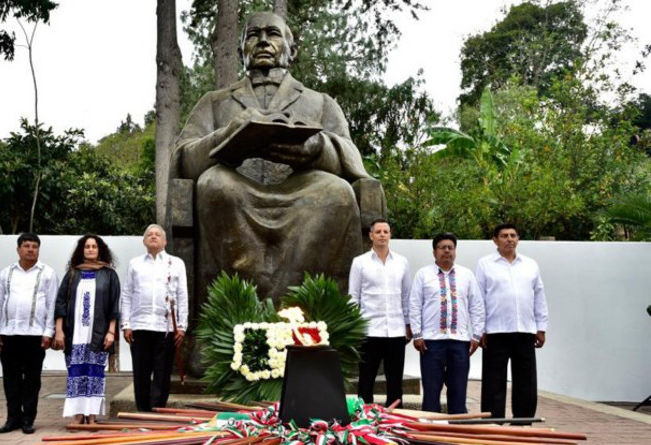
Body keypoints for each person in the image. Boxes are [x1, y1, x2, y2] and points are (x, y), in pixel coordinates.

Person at [171, 11, 384, 302]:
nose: (262, 42)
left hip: (302, 191)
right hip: (237, 191)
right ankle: (232, 310)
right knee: (214, 184)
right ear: (240, 50)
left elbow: (351, 157)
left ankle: (310, 311)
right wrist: (228, 137)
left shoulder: (320, 101)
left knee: (337, 192)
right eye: (252, 36)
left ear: (291, 49)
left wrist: (318, 148)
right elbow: (183, 159)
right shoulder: (214, 102)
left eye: (272, 34)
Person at [476, 223, 548, 420]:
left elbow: (539, 296)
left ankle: (523, 422)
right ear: (495, 240)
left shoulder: (530, 264)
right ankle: (493, 422)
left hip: (525, 331)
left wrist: (541, 327)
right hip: (495, 331)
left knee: (526, 380)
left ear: (518, 239)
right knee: (493, 380)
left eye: (513, 235)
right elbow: (479, 299)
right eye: (504, 235)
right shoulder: (485, 264)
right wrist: (479, 330)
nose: (509, 239)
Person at [0, 233, 59, 434]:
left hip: (35, 335)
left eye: (34, 246)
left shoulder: (47, 273)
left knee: (32, 379)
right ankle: (12, 419)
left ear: (39, 249)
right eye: (26, 246)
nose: (30, 249)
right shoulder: (7, 273)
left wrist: (49, 332)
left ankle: (28, 419)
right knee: (10, 379)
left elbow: (53, 304)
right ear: (18, 249)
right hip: (8, 334)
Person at [409, 233, 484, 414]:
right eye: (442, 247)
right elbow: (414, 305)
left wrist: (476, 335)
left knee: (458, 389)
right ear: (434, 252)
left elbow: (477, 306)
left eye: (451, 247)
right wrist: (417, 334)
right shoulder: (423, 275)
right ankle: (429, 431)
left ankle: (458, 431)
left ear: (455, 251)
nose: (447, 251)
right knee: (432, 389)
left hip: (460, 341)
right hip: (431, 342)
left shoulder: (466, 275)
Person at [54, 235, 120, 425]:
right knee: (76, 372)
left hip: (98, 334)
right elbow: (60, 303)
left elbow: (115, 306)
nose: (90, 249)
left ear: (100, 250)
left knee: (94, 372)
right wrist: (59, 330)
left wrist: (111, 332)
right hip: (74, 333)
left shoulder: (109, 274)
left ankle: (91, 415)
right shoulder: (73, 274)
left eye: (94, 246)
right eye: (87, 246)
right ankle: (77, 414)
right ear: (81, 250)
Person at [120, 224, 188, 412]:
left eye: (157, 234)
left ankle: (157, 412)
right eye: (149, 234)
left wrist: (182, 326)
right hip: (140, 326)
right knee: (141, 373)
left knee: (162, 373)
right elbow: (127, 294)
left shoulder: (176, 263)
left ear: (165, 241)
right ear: (143, 241)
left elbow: (182, 296)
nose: (153, 236)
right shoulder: (135, 263)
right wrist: (126, 324)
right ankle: (142, 411)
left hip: (165, 327)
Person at [348, 219, 411, 407]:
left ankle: (395, 419)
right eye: (378, 232)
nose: (383, 235)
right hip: (369, 330)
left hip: (396, 330)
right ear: (371, 235)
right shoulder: (360, 263)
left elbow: (406, 296)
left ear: (390, 235)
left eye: (386, 231)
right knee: (366, 379)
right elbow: (353, 296)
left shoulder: (402, 262)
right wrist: (355, 327)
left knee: (395, 381)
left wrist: (408, 324)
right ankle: (363, 419)